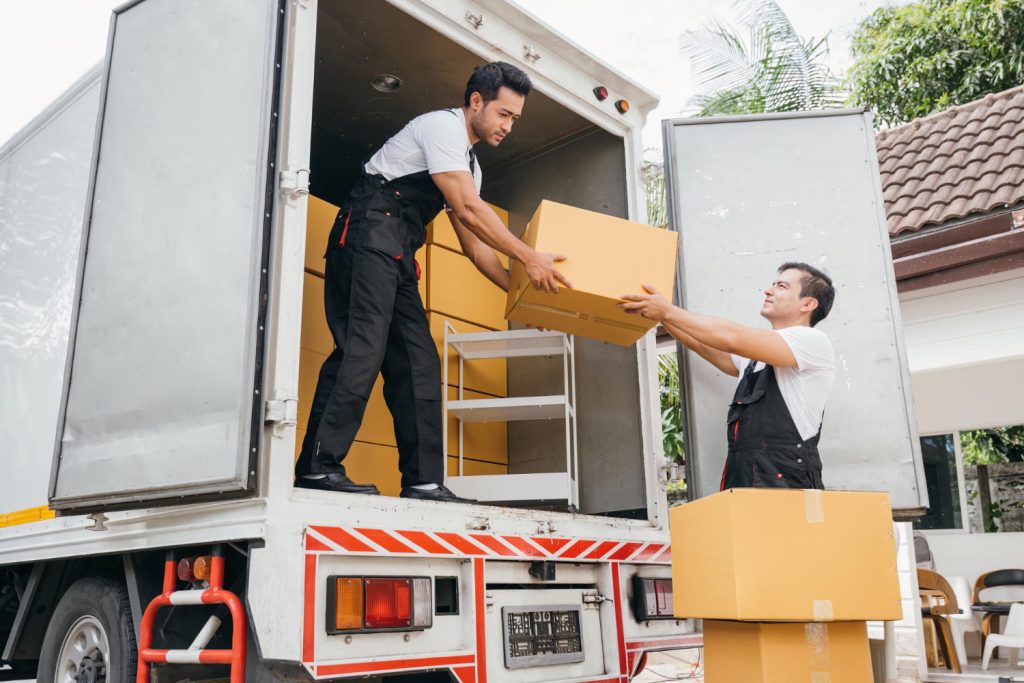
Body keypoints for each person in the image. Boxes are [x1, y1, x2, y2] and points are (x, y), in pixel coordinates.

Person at [294, 62, 571, 503]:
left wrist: (519, 297)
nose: (508, 126)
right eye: (503, 114)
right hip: (366, 236)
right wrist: (529, 257)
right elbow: (464, 208)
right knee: (362, 350)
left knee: (419, 364)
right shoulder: (441, 127)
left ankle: (423, 482)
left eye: (515, 119)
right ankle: (317, 468)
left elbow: (475, 246)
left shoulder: (470, 167)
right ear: (476, 101)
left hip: (399, 255)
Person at [620, 262, 835, 489]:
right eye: (772, 284)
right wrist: (664, 318)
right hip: (744, 477)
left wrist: (668, 310)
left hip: (788, 483)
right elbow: (703, 344)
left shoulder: (812, 342)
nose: (769, 290)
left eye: (781, 286)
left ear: (808, 304)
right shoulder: (755, 359)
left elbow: (732, 338)